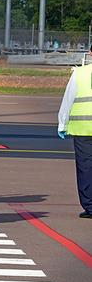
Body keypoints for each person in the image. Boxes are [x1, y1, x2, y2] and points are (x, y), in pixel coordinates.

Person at [57, 45, 92, 219]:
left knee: (85, 167)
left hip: (83, 129)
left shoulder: (79, 74)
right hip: (83, 129)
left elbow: (68, 100)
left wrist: (62, 124)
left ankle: (90, 206)